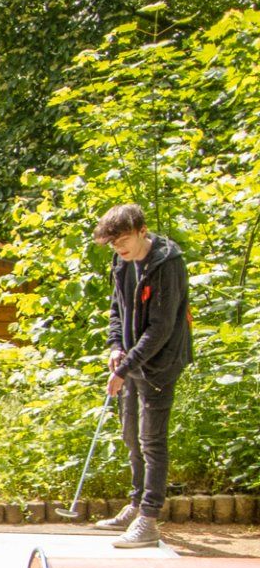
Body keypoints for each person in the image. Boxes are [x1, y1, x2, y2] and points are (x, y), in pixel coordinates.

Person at [91, 203, 192, 549]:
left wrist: (124, 367)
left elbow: (161, 328)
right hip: (132, 361)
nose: (118, 249)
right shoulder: (121, 261)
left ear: (141, 231)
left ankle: (148, 518)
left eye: (123, 241)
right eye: (113, 243)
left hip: (160, 363)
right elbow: (117, 308)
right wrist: (116, 346)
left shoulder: (167, 264)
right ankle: (135, 504)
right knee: (130, 434)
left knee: (152, 439)